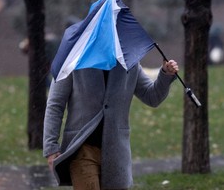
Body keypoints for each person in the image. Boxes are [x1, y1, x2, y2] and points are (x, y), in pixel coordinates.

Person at [43, 59, 179, 190]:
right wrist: (51, 147)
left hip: (116, 153)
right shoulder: (74, 58)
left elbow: (152, 97)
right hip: (81, 149)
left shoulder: (129, 61)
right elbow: (55, 104)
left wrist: (166, 74)